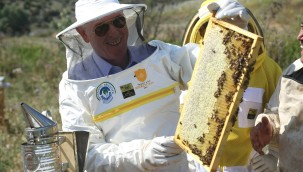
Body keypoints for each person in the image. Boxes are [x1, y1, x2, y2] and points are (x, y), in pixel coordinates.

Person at [55, 0, 269, 171]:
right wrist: (142, 155)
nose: (114, 32)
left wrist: (232, 33)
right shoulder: (72, 87)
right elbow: (80, 157)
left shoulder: (161, 56)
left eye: (118, 22)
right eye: (101, 28)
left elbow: (217, 76)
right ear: (84, 34)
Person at [181, 0, 282, 171]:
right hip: (196, 166)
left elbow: (286, 118)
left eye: (231, 27)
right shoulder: (185, 65)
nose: (223, 33)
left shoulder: (268, 70)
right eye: (214, 27)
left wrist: (276, 157)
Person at [250, 20, 303, 172]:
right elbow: (276, 112)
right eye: (301, 27)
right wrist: (268, 127)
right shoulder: (292, 72)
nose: (299, 36)